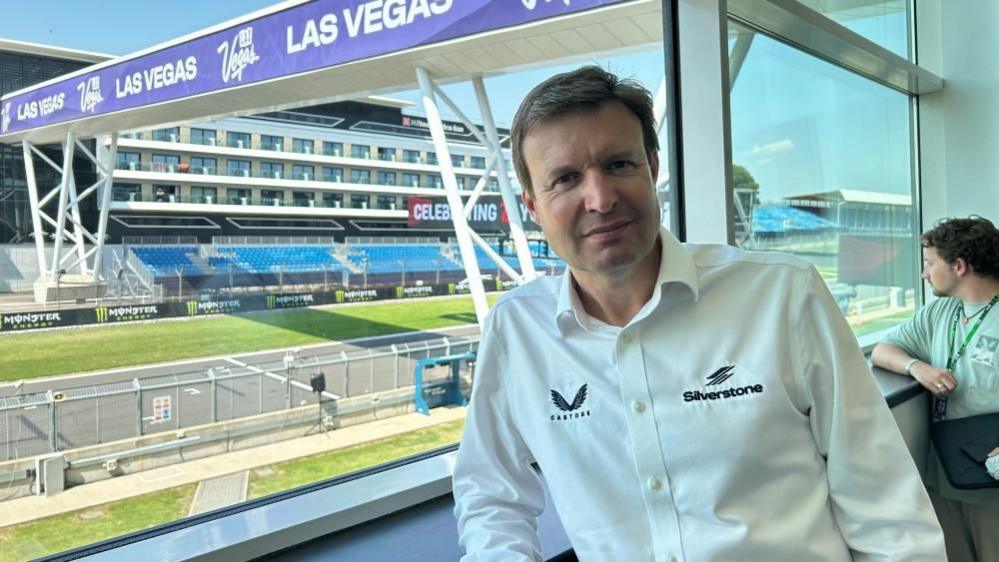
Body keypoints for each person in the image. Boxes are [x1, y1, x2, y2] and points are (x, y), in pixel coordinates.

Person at [452, 66, 944, 562]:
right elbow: (491, 494)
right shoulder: (517, 331)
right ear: (533, 206)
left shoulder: (783, 295)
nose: (600, 199)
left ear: (653, 167)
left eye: (619, 164)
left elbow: (887, 510)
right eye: (566, 179)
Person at [872, 216, 999, 562]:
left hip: (991, 486)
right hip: (944, 477)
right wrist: (919, 368)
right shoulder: (940, 312)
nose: (924, 273)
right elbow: (884, 350)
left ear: (958, 266)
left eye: (930, 263)